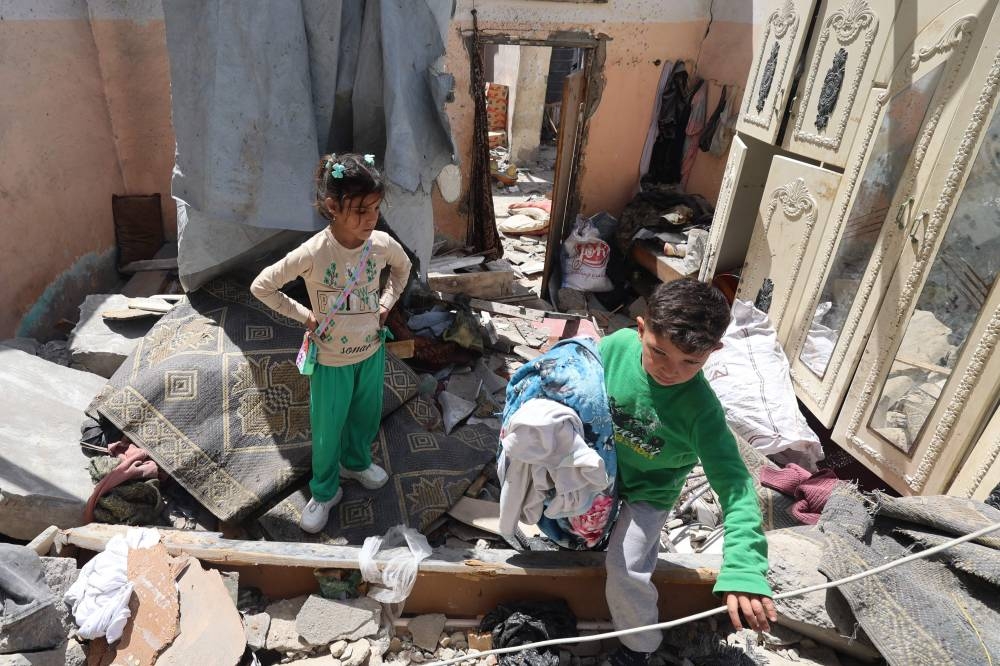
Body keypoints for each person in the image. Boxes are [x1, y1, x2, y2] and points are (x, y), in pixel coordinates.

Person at [599, 278, 776, 666]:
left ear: (714, 351)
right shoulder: (614, 348)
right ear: (640, 329)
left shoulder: (702, 411)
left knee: (625, 566)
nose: (669, 370)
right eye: (659, 352)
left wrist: (744, 569)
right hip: (598, 472)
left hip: (649, 493)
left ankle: (639, 648)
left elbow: (735, 487)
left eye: (690, 362)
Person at [251, 152, 411, 533]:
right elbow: (263, 286)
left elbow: (404, 270)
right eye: (359, 210)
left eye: (375, 208)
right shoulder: (314, 253)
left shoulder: (382, 245)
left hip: (371, 352)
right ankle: (324, 491)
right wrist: (304, 315)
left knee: (365, 416)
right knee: (327, 429)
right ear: (332, 207)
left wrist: (386, 303)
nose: (370, 218)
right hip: (331, 360)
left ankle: (355, 463)